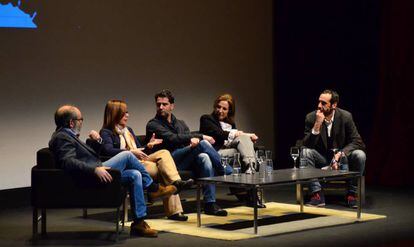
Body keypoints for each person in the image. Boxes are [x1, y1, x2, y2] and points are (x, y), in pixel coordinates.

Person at [49, 105, 177, 238]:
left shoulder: (67, 135)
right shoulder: (62, 137)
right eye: (81, 119)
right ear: (71, 122)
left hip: (96, 169)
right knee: (127, 155)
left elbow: (88, 156)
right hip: (90, 176)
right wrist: (94, 170)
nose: (82, 122)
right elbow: (68, 162)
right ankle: (153, 188)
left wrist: (97, 141)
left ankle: (139, 222)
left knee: (135, 174)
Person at [98, 100, 193, 221]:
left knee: (164, 152)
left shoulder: (129, 130)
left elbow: (141, 152)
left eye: (127, 112)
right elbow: (107, 151)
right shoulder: (106, 132)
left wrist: (148, 146)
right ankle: (172, 203)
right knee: (164, 170)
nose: (127, 115)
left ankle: (176, 183)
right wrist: (130, 152)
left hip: (140, 161)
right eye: (124, 113)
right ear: (115, 114)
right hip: (127, 165)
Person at [146, 90, 232, 216]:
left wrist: (191, 143)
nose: (161, 107)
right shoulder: (153, 124)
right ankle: (224, 170)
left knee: (204, 158)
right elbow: (172, 138)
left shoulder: (181, 123)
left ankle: (210, 204)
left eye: (164, 104)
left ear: (172, 106)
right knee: (203, 144)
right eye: (158, 104)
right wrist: (201, 136)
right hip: (168, 162)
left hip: (184, 159)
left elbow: (185, 138)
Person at [301, 89, 366, 208]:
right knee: (305, 153)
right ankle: (317, 194)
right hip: (322, 159)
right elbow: (307, 145)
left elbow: (357, 141)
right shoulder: (311, 117)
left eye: (323, 103)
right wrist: (317, 125)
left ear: (334, 105)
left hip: (342, 160)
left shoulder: (345, 117)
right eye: (319, 102)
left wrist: (341, 153)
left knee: (360, 155)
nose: (319, 106)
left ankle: (352, 194)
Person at [199, 93, 265, 208]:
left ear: (229, 111)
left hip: (229, 152)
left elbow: (237, 139)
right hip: (215, 153)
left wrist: (244, 136)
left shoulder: (231, 123)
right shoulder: (206, 119)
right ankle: (253, 189)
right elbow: (218, 134)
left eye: (224, 109)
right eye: (218, 107)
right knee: (242, 144)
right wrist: (245, 134)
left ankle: (251, 167)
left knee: (243, 142)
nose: (220, 110)